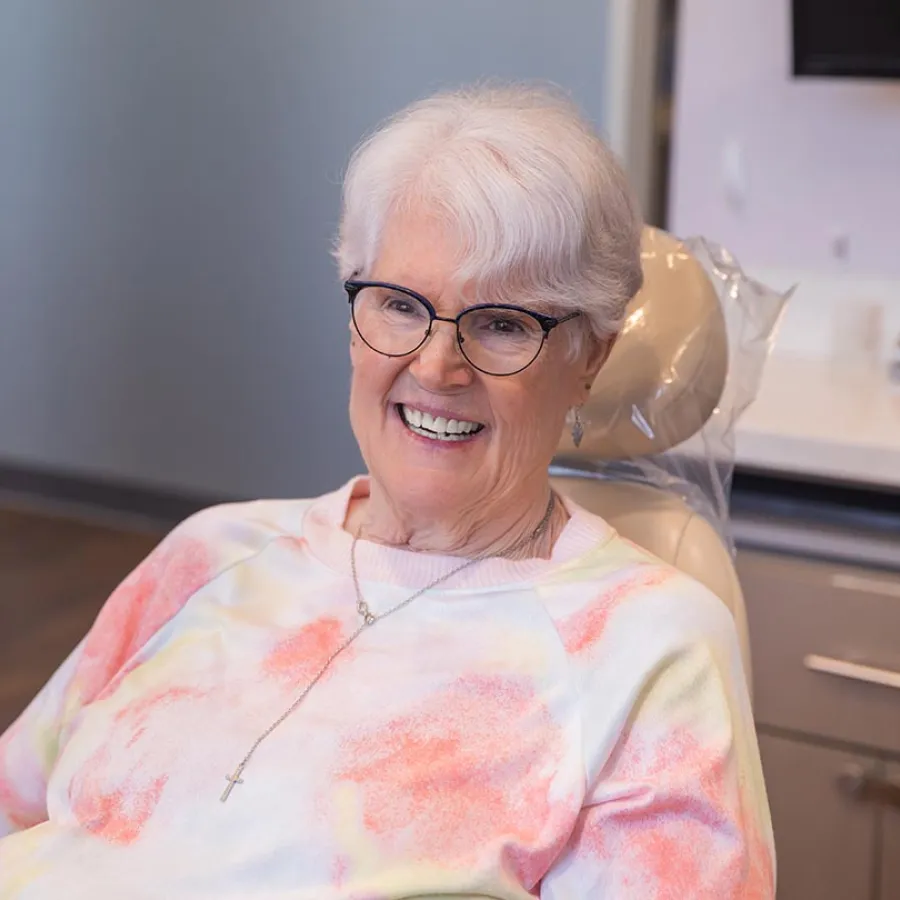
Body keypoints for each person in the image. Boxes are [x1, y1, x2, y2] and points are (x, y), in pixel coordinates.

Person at [0, 83, 774, 898]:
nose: (438, 367)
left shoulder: (650, 647)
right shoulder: (212, 553)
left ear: (589, 356)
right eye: (401, 306)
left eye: (504, 322)